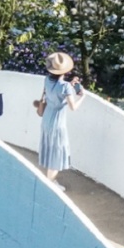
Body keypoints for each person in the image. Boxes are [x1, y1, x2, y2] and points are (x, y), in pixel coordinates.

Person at [35, 52, 85, 186]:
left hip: (46, 118)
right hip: (58, 122)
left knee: (50, 149)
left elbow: (55, 89)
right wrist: (82, 96)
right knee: (56, 153)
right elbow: (73, 107)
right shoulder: (65, 87)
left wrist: (69, 84)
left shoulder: (47, 79)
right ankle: (50, 183)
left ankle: (49, 180)